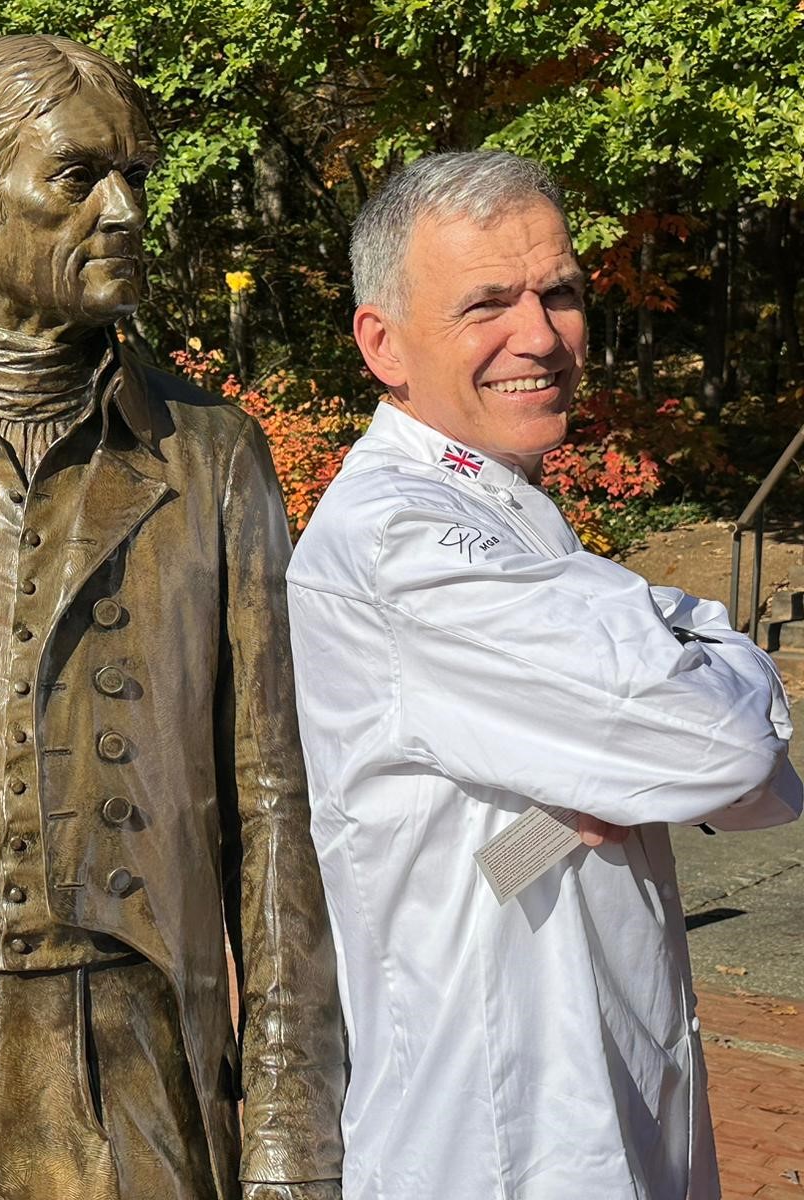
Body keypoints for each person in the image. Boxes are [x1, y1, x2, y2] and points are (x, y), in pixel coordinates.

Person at [0, 34, 344, 1200]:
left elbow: (274, 806)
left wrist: (288, 1133)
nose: (128, 210)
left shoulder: (214, 460)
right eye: (81, 177)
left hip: (125, 1044)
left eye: (133, 173)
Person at [287, 149, 802, 1198]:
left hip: (588, 1073)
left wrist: (575, 799)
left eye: (558, 292)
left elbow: (477, 853)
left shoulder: (500, 511)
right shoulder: (402, 542)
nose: (539, 336)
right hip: (494, 1122)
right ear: (381, 342)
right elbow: (727, 742)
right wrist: (680, 655)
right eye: (486, 303)